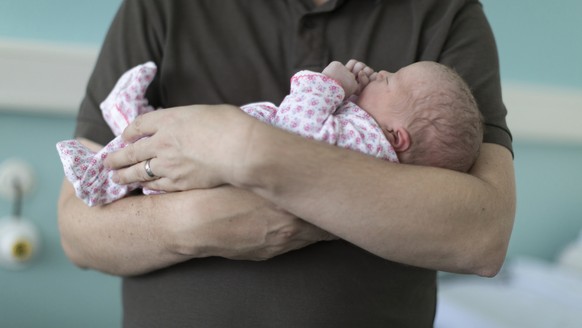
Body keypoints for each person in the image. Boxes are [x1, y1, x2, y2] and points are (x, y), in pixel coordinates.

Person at [58, 0, 516, 327]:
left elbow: (479, 237)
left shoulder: (445, 13)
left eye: (390, 79)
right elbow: (79, 232)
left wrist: (239, 146)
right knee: (132, 149)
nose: (378, 76)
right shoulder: (162, 8)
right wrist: (197, 222)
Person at [57, 58, 482, 206]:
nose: (383, 72)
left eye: (392, 81)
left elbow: (296, 135)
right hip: (225, 159)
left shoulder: (366, 146)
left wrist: (330, 81)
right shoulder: (369, 146)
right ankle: (131, 116)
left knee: (155, 153)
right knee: (170, 134)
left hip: (220, 170)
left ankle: (97, 176)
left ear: (396, 138)